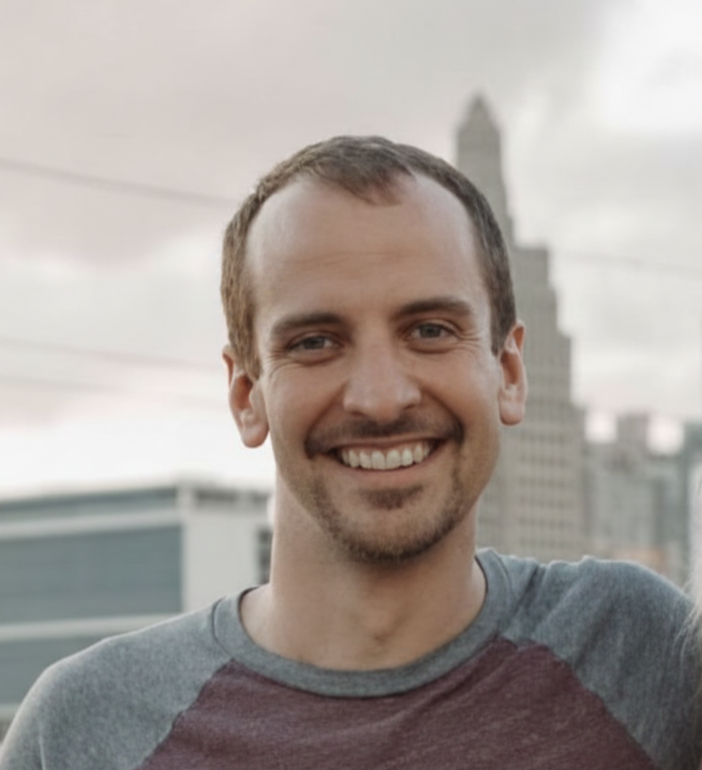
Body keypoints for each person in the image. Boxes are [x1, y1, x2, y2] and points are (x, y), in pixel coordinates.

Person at [1, 136, 699, 769]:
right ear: (247, 395)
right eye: (315, 342)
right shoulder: (84, 731)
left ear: (510, 374)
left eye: (429, 329)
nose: (379, 397)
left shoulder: (644, 654)